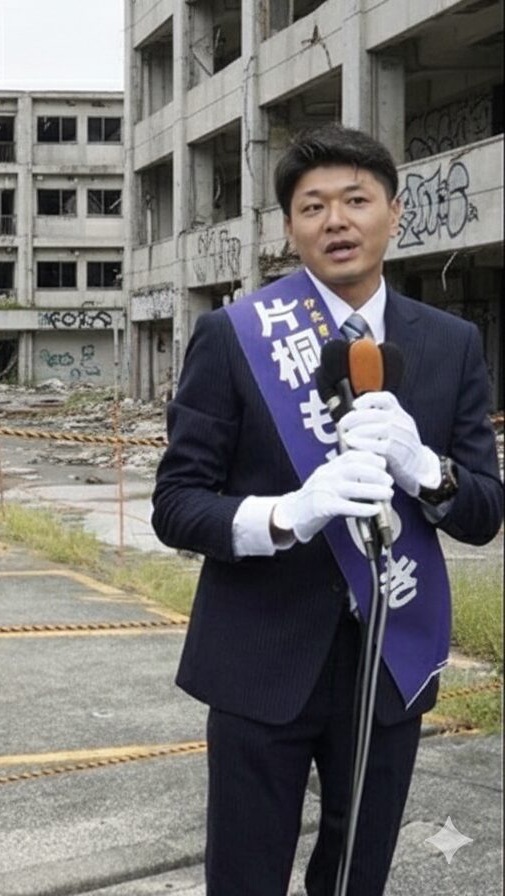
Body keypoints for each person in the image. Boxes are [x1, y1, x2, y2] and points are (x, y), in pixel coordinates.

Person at [152, 123, 502, 895]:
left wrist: (424, 469)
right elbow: (176, 506)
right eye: (313, 207)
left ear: (394, 213)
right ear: (289, 227)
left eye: (356, 200)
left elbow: (483, 513)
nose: (336, 221)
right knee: (244, 877)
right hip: (259, 656)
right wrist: (287, 516)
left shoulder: (449, 344)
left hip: (390, 654)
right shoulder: (234, 336)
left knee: (356, 877)